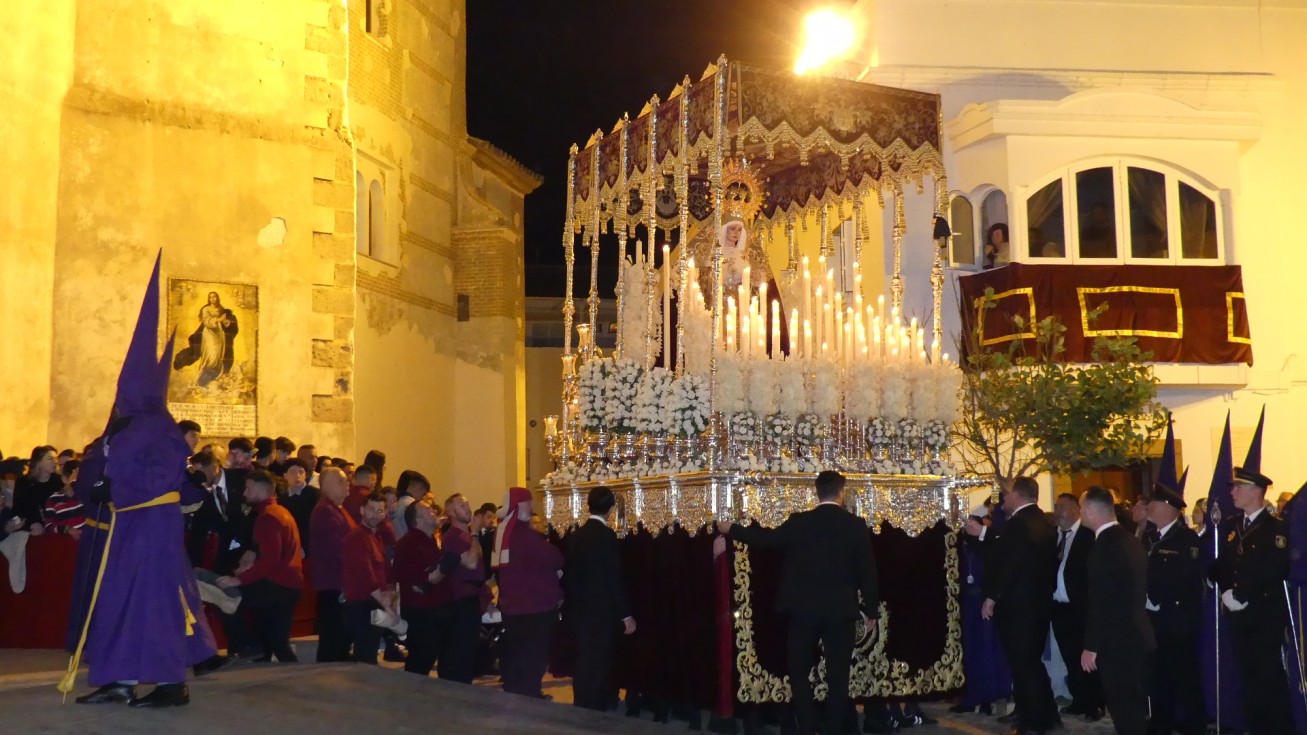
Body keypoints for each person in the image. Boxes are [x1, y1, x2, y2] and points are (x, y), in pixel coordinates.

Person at [68, 255, 216, 707]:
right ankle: (122, 678)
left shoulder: (158, 427)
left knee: (152, 604)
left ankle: (167, 682)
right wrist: (101, 483)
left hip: (150, 530)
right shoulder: (131, 424)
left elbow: (160, 477)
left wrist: (115, 489)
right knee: (122, 602)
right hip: (129, 527)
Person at [715, 471, 878, 735]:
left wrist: (731, 529)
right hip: (840, 611)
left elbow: (765, 541)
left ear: (817, 493)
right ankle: (835, 729)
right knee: (839, 676)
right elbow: (867, 571)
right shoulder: (855, 525)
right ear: (841, 493)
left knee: (799, 672)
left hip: (803, 611)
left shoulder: (799, 522)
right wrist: (870, 610)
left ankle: (807, 726)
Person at [1207, 467, 1295, 735]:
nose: (1233, 492)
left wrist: (1242, 594)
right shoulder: (1233, 525)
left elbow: (1274, 569)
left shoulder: (1275, 527)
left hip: (1264, 617)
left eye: (1239, 487)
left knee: (1268, 680)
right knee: (1247, 680)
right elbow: (1222, 564)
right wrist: (1224, 588)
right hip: (1238, 617)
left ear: (1256, 491)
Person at [971, 476, 1059, 735]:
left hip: (1018, 609)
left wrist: (991, 597)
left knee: (1023, 666)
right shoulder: (1042, 521)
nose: (1003, 499)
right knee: (1032, 663)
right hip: (1038, 606)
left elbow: (1007, 563)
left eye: (1007, 493)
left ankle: (1034, 722)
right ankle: (1047, 715)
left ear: (1018, 495)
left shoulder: (1018, 524)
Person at [1079, 486, 1154, 735]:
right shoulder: (1129, 539)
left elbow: (1102, 600)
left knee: (1124, 709)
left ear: (1091, 511)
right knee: (1132, 708)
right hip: (1136, 634)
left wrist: (1091, 645)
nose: (1080, 513)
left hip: (1118, 640)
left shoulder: (1103, 548)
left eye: (1082, 508)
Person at [216, 470, 303, 663]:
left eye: (248, 488)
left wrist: (239, 579)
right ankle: (262, 656)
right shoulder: (280, 512)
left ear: (262, 490)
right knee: (276, 642)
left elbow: (270, 560)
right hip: (289, 585)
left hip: (278, 585)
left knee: (225, 599)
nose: (244, 493)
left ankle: (246, 646)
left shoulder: (267, 517)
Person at [564, 487, 636, 711]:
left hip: (580, 609)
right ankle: (596, 705)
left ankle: (581, 701)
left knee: (584, 658)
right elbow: (613, 577)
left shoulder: (576, 535)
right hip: (602, 612)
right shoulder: (607, 537)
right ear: (611, 509)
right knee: (600, 660)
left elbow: (571, 576)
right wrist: (625, 614)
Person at [1143, 482, 1204, 735]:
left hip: (1178, 620)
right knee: (1158, 676)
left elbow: (1186, 578)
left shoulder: (1186, 539)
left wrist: (1156, 597)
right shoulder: (1150, 537)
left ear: (1169, 508)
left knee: (1184, 677)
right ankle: (1160, 724)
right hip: (1154, 620)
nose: (1148, 506)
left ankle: (1194, 726)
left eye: (1154, 503)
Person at [493, 486, 564, 699]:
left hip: (511, 606)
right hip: (533, 608)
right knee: (533, 656)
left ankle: (516, 691)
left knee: (516, 653)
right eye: (529, 502)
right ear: (521, 506)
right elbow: (555, 558)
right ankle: (530, 696)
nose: (532, 506)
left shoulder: (503, 533)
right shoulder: (524, 536)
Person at [953, 503, 1011, 715]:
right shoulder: (960, 542)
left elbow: (995, 559)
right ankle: (974, 695)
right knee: (970, 650)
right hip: (966, 603)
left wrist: (981, 533)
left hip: (985, 602)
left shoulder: (990, 540)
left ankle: (992, 695)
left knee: (989, 650)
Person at [1050, 492, 1102, 721]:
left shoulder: (1088, 536)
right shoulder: (1054, 536)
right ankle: (1079, 700)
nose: (1057, 511)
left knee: (1087, 658)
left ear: (1075, 509)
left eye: (1062, 506)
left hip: (1081, 608)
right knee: (1070, 658)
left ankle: (1094, 703)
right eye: (1056, 506)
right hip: (1059, 608)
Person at [340, 490, 395, 665]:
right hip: (361, 604)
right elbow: (365, 575)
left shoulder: (375, 537)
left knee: (368, 654)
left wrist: (389, 594)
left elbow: (383, 571)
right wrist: (386, 603)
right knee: (365, 657)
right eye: (371, 509)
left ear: (385, 513)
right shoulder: (357, 537)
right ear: (362, 510)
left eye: (380, 511)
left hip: (372, 602)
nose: (375, 515)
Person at [308, 467, 356, 662]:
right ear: (326, 485)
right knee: (333, 635)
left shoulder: (338, 509)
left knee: (340, 634)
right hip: (333, 582)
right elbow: (337, 547)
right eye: (341, 481)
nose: (347, 484)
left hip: (340, 580)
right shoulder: (325, 511)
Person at [393, 502, 444, 676]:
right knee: (420, 657)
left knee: (428, 655)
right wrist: (429, 578)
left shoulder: (430, 540)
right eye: (428, 510)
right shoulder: (408, 543)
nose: (434, 511)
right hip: (419, 609)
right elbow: (409, 577)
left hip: (432, 606)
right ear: (418, 519)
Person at [186, 449, 251, 573]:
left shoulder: (242, 477)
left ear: (213, 467)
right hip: (227, 555)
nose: (198, 478)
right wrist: (191, 566)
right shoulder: (203, 494)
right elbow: (198, 532)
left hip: (251, 548)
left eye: (200, 472)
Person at [13, 445, 60, 532]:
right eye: (50, 459)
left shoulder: (59, 482)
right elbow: (16, 512)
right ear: (38, 462)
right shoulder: (23, 483)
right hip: (32, 531)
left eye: (56, 458)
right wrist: (29, 525)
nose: (55, 462)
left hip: (56, 529)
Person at [277, 459, 317, 552]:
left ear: (305, 475)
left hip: (310, 546)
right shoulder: (282, 499)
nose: (297, 475)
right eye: (293, 472)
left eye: (301, 472)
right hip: (289, 544)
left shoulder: (314, 494)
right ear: (285, 475)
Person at [42, 459, 85, 537]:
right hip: (64, 541)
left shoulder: (86, 497)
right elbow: (49, 526)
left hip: (85, 540)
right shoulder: (54, 499)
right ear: (64, 479)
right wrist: (67, 529)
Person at [390, 470, 431, 537]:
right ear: (419, 488)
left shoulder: (395, 504)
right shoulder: (413, 507)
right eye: (423, 494)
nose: (423, 498)